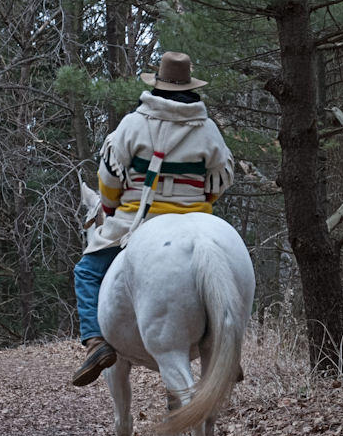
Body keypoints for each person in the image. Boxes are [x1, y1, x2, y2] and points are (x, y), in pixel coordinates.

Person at [72, 51, 235, 387]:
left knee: (86, 272)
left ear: (158, 85)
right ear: (189, 86)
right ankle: (226, 342)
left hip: (136, 219)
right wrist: (198, 202)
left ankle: (96, 342)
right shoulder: (207, 128)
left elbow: (109, 180)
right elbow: (220, 181)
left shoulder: (132, 124)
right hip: (197, 217)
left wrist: (112, 204)